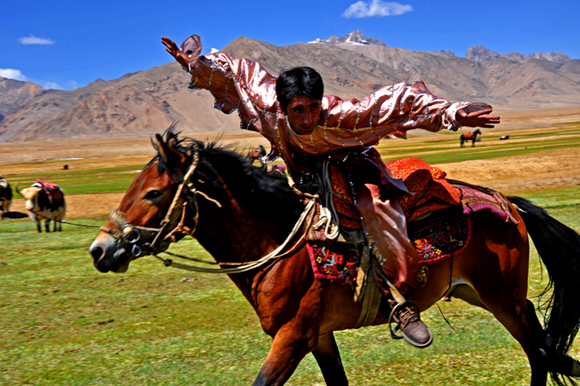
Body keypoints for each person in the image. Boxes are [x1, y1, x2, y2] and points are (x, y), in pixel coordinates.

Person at [162, 34, 500, 347]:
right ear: (282, 106)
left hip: (353, 166)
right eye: (298, 110)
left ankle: (399, 302)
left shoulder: (341, 115)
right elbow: (236, 72)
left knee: (377, 209)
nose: (308, 117)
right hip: (303, 173)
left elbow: (399, 101)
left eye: (313, 107)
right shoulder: (267, 103)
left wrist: (452, 113)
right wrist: (196, 64)